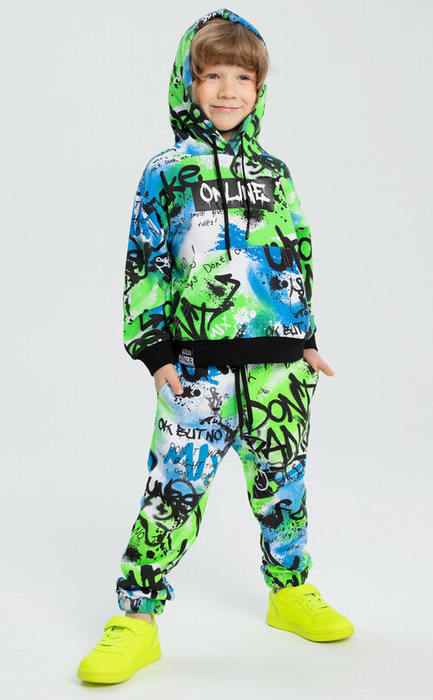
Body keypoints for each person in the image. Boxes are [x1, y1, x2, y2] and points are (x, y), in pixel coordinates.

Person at [77, 7, 354, 686]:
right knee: (171, 492)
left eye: (243, 78)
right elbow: (145, 262)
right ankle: (136, 618)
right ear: (188, 83)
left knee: (283, 485)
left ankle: (289, 591)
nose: (228, 90)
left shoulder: (276, 171)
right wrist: (155, 354)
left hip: (278, 369)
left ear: (259, 88)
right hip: (196, 371)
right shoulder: (166, 172)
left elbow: (296, 254)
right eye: (213, 76)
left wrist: (305, 339)